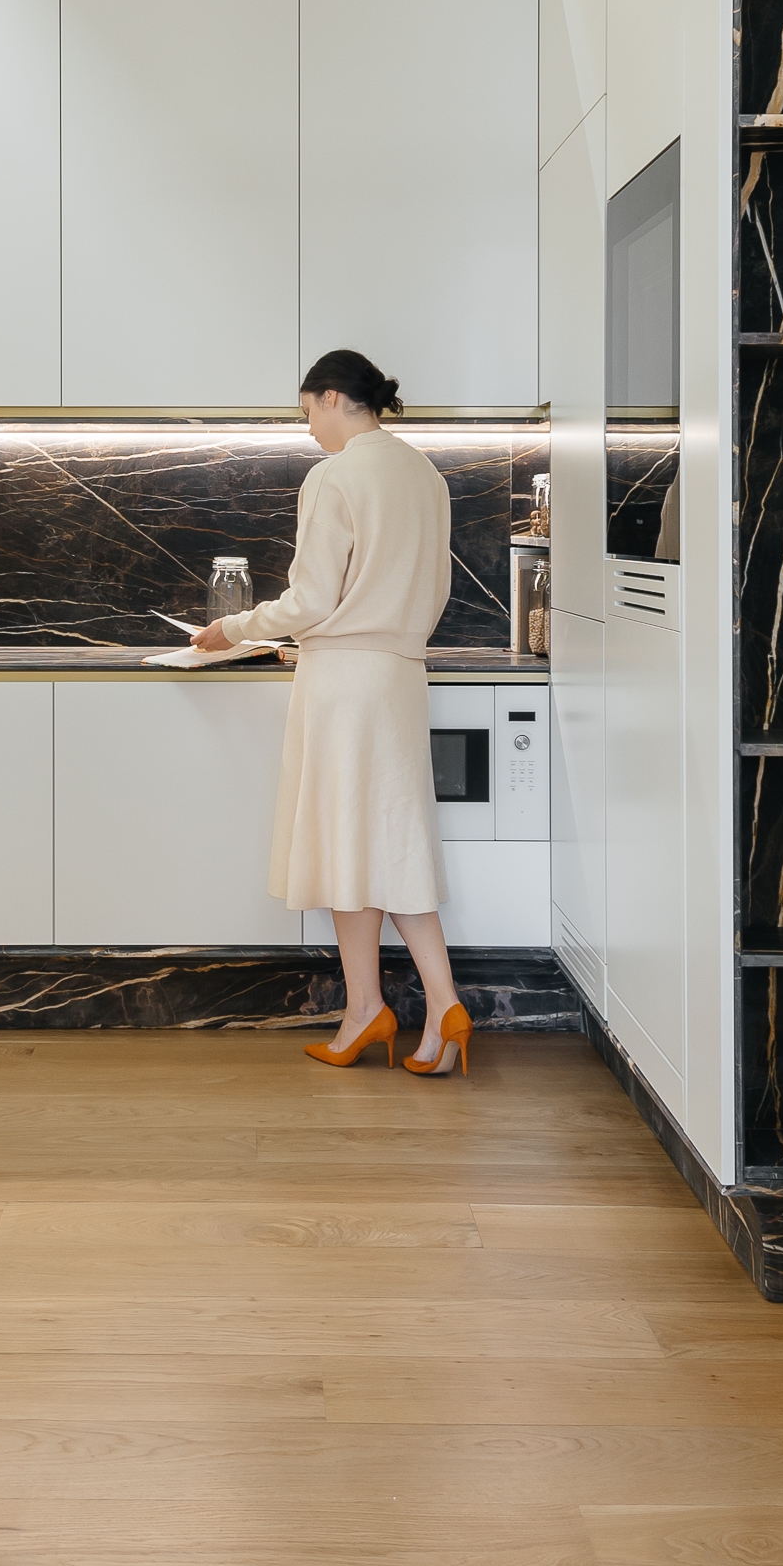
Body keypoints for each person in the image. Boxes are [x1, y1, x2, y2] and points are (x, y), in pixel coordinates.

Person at [192, 349, 471, 1076]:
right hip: (401, 675)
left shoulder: (336, 475)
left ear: (330, 398)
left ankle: (365, 1011)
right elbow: (436, 587)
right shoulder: (426, 475)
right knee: (394, 840)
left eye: (306, 411)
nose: (308, 428)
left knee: (349, 843)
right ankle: (441, 1007)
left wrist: (234, 628)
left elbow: (312, 600)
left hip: (345, 682)